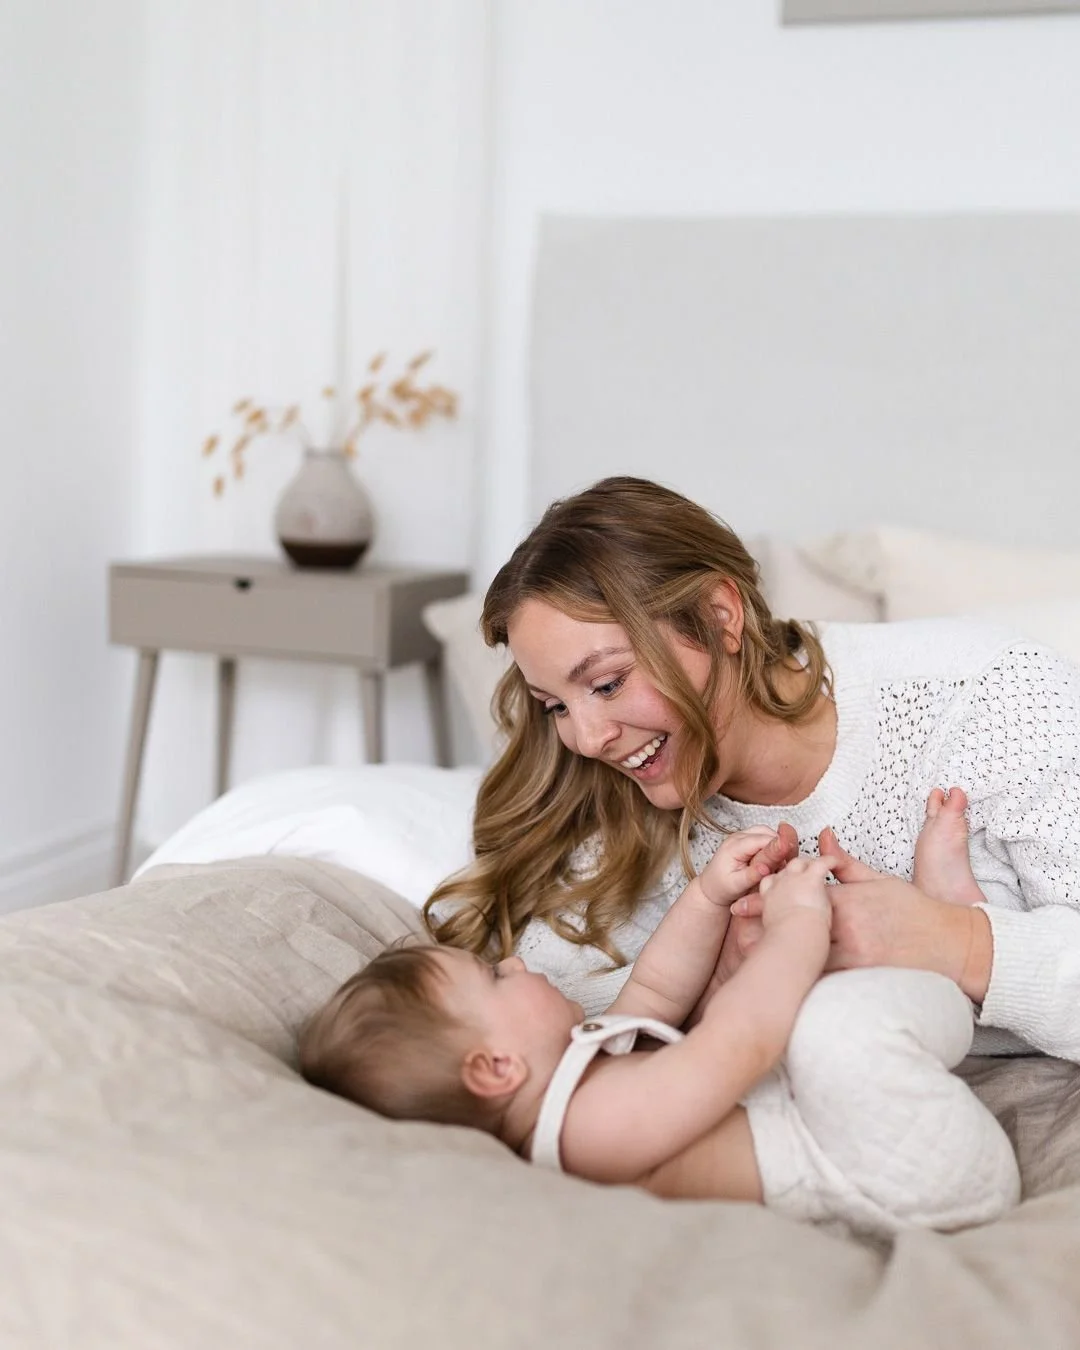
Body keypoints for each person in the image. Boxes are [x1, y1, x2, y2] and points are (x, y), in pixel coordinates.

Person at [424, 476, 1080, 1064]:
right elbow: (549, 1017)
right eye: (552, 705)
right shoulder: (612, 797)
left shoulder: (985, 694)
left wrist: (952, 940)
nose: (589, 739)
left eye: (607, 682)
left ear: (720, 616)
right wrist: (718, 979)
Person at [300, 809, 1020, 1242]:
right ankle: (955, 940)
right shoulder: (590, 1134)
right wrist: (797, 923)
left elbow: (656, 985)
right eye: (493, 979)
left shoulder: (577, 1087)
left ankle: (951, 929)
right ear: (496, 1069)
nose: (514, 965)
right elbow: (741, 1041)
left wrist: (710, 896)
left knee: (822, 1018)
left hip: (859, 1133)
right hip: (903, 1182)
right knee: (826, 1023)